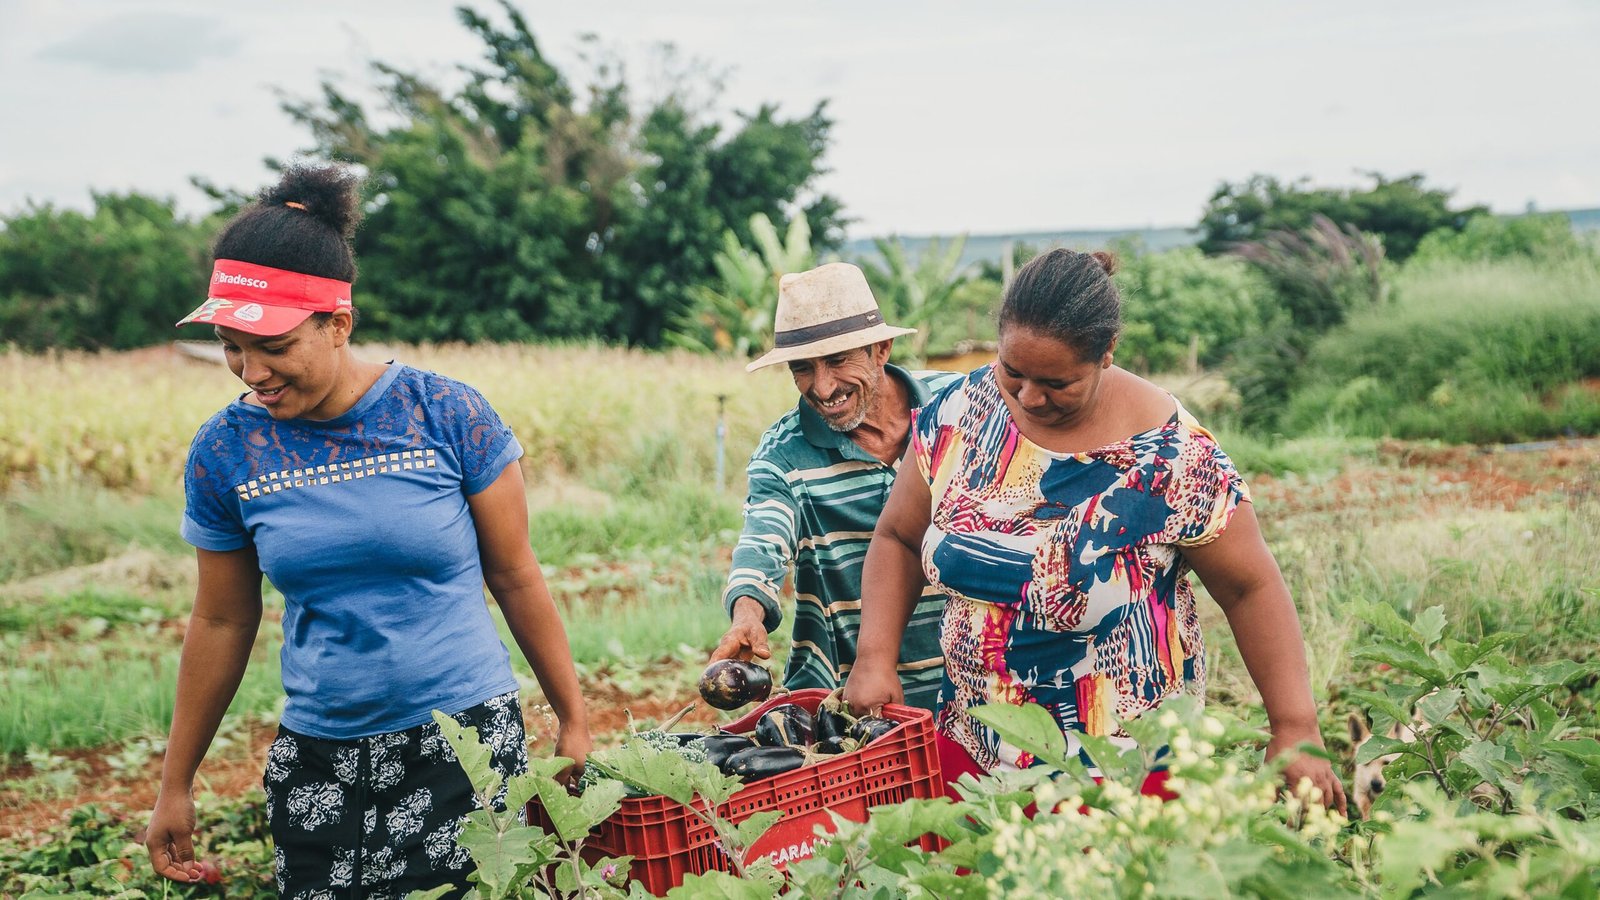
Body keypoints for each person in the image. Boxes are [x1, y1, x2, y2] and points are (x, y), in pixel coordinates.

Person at [145, 163, 593, 897]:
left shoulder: (447, 416)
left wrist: (572, 717)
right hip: (319, 757)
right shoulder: (225, 451)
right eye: (231, 346)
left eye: (274, 348)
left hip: (464, 744)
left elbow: (514, 574)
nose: (250, 371)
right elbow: (221, 619)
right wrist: (176, 784)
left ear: (337, 324)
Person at [843, 248, 1347, 814]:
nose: (1028, 397)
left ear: (1107, 354)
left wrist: (1295, 725)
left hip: (1124, 770)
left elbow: (1249, 588)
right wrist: (874, 656)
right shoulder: (961, 411)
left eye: (1058, 383)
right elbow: (899, 538)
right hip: (972, 748)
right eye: (1013, 372)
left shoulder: (1172, 458)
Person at [709, 262, 956, 711]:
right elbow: (762, 538)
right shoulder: (784, 454)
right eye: (803, 368)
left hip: (967, 685)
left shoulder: (959, 410)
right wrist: (747, 613)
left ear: (881, 348)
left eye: (838, 361)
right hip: (850, 699)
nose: (822, 388)